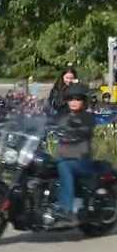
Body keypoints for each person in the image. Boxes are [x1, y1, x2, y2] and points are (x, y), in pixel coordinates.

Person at [54, 82, 96, 221]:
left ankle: (66, 208)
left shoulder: (87, 117)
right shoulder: (63, 117)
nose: (73, 101)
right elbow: (50, 124)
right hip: (62, 157)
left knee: (64, 166)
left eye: (78, 99)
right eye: (70, 98)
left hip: (81, 161)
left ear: (84, 101)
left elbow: (85, 129)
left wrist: (74, 132)